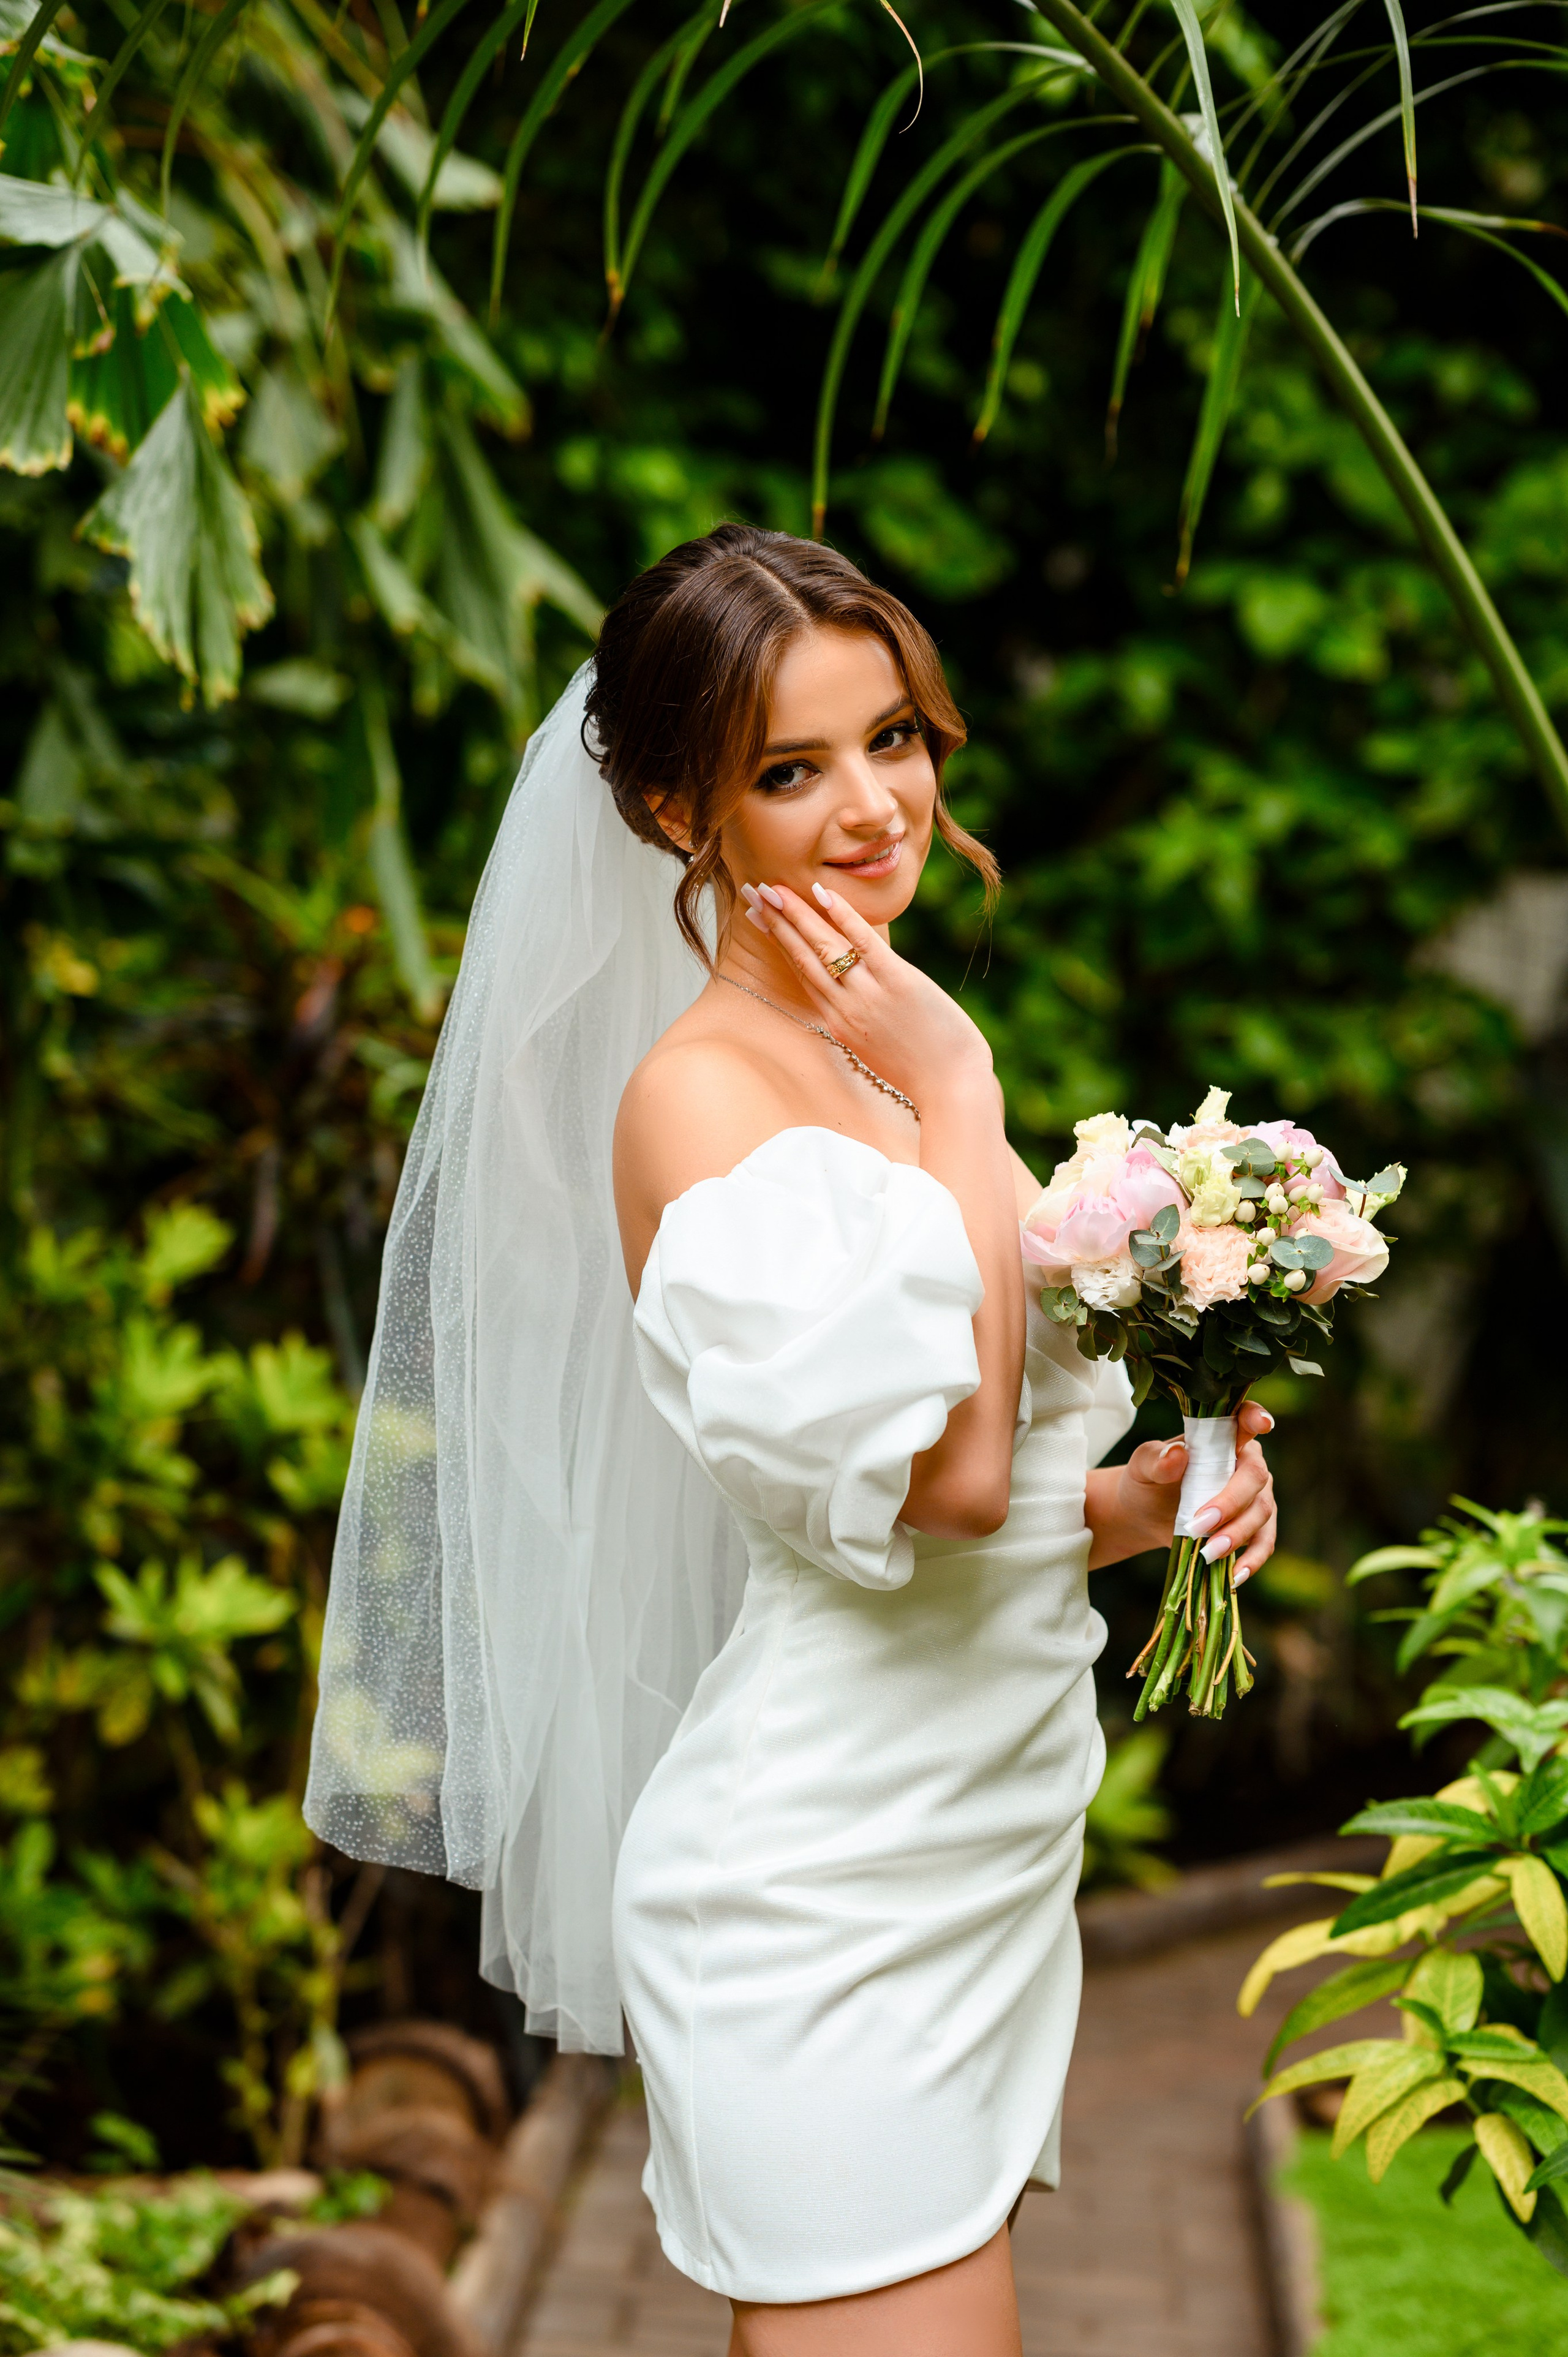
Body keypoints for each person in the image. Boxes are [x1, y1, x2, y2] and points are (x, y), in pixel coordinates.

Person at [306, 524, 1275, 2357]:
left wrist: (1153, 1501)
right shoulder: (700, 1101)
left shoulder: (869, 1058)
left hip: (973, 1850)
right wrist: (970, 1086)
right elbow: (953, 1477)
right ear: (682, 808)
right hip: (824, 1885)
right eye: (790, 768)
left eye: (893, 739)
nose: (876, 808)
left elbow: (956, 1515)